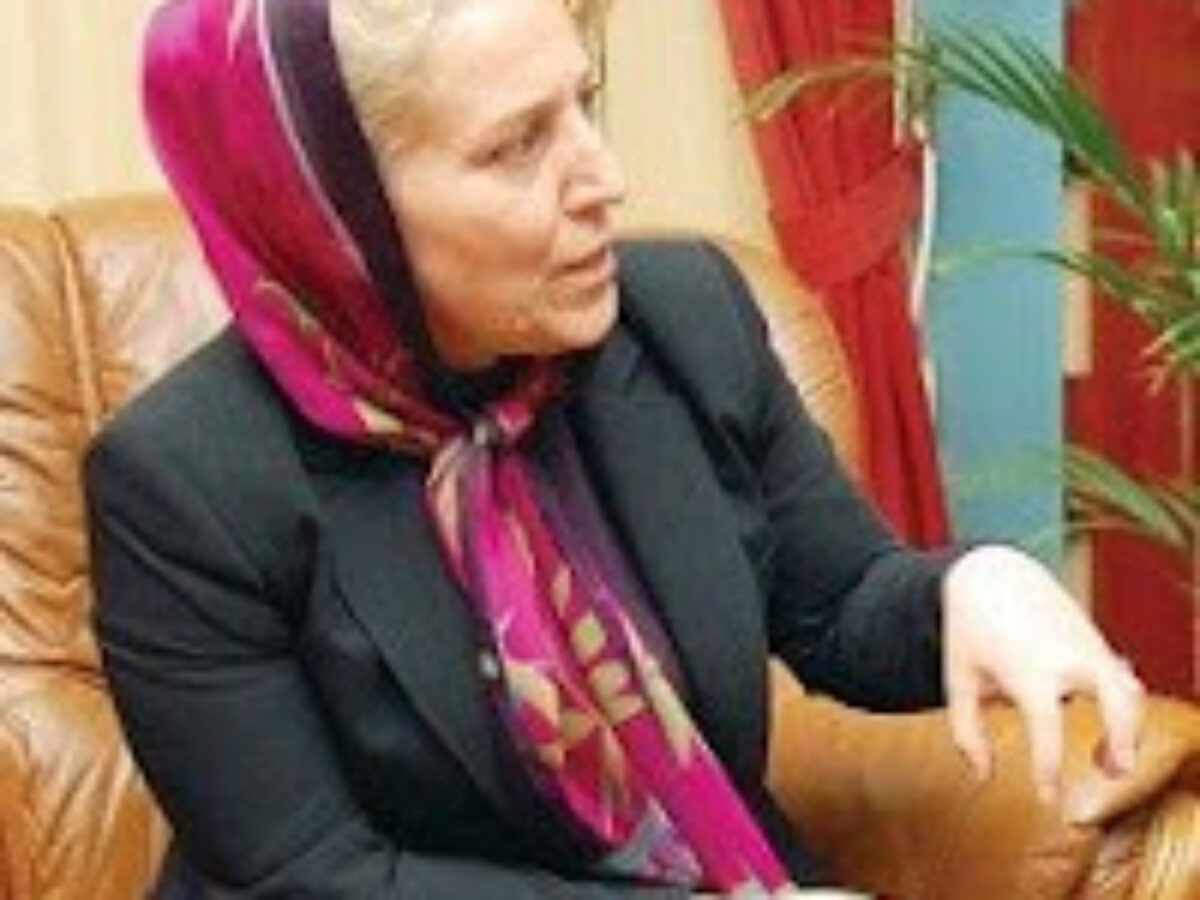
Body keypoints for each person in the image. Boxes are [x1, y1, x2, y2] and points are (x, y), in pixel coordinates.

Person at [85, 0, 1145, 896]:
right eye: (517, 146)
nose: (604, 180)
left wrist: (970, 586)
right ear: (332, 214)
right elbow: (314, 877)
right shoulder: (185, 484)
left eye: (583, 105)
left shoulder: (686, 322)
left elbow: (840, 604)